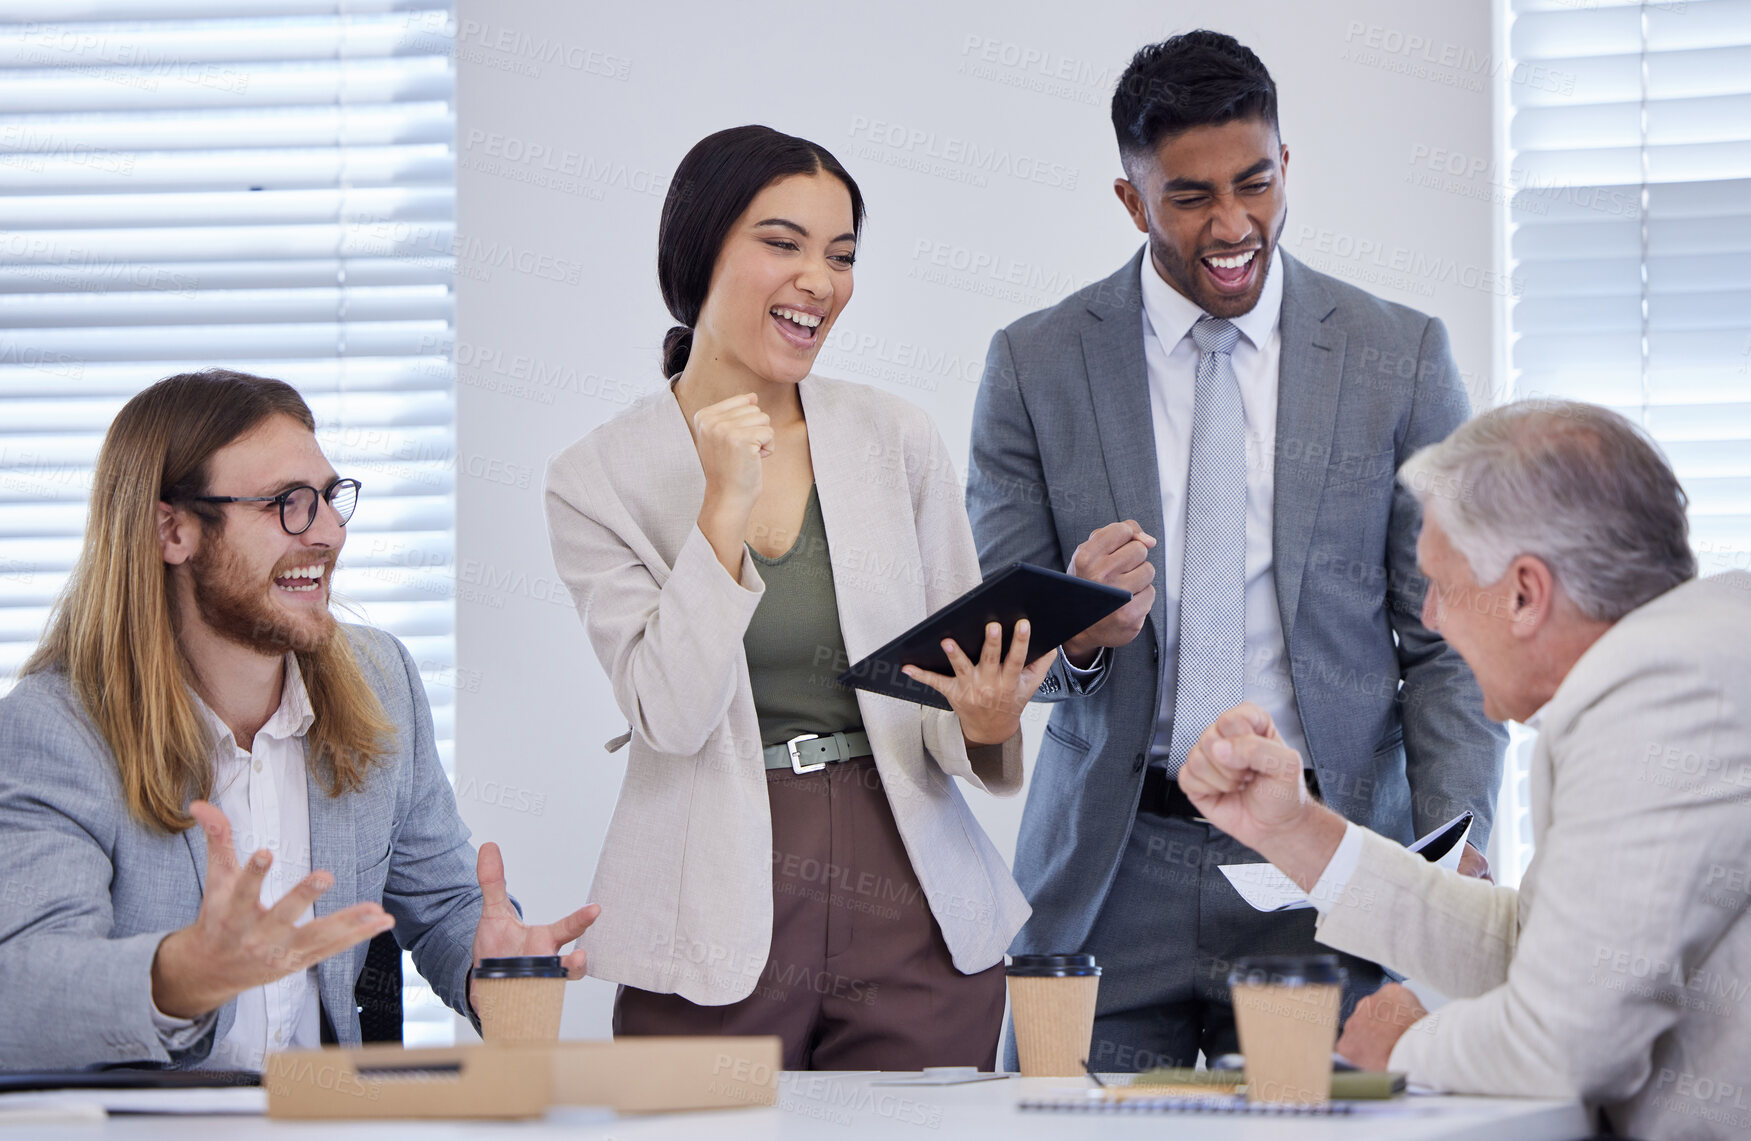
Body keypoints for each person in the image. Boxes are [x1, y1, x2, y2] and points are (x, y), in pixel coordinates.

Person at [965, 30, 1506, 1071]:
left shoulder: (1397, 358)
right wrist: (1081, 628)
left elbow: (1448, 640)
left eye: (1253, 184)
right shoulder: (1033, 365)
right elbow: (1005, 642)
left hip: (1330, 858)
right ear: (1129, 199)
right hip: (1110, 872)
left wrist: (1451, 841)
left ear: (1284, 165)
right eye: (1188, 197)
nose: (1230, 225)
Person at [544, 125, 1051, 1071]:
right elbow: (671, 712)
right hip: (713, 896)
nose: (819, 279)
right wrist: (722, 505)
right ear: (699, 254)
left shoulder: (893, 437)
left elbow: (950, 686)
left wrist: (985, 722)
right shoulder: (596, 479)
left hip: (909, 889)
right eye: (782, 243)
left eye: (841, 254)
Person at [1180, 399, 1749, 1141]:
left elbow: (1565, 1044)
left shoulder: (1655, 692)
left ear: (1523, 593)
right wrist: (1292, 830)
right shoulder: (1677, 660)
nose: (1430, 618)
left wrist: (1402, 1050)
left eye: (1440, 585)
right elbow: (1532, 945)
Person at [0, 371, 598, 1071]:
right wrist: (178, 976)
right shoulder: (53, 729)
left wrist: (493, 964)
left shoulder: (383, 682)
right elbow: (22, 989)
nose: (330, 534)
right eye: (288, 503)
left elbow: (444, 904)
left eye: (329, 499)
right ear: (173, 529)